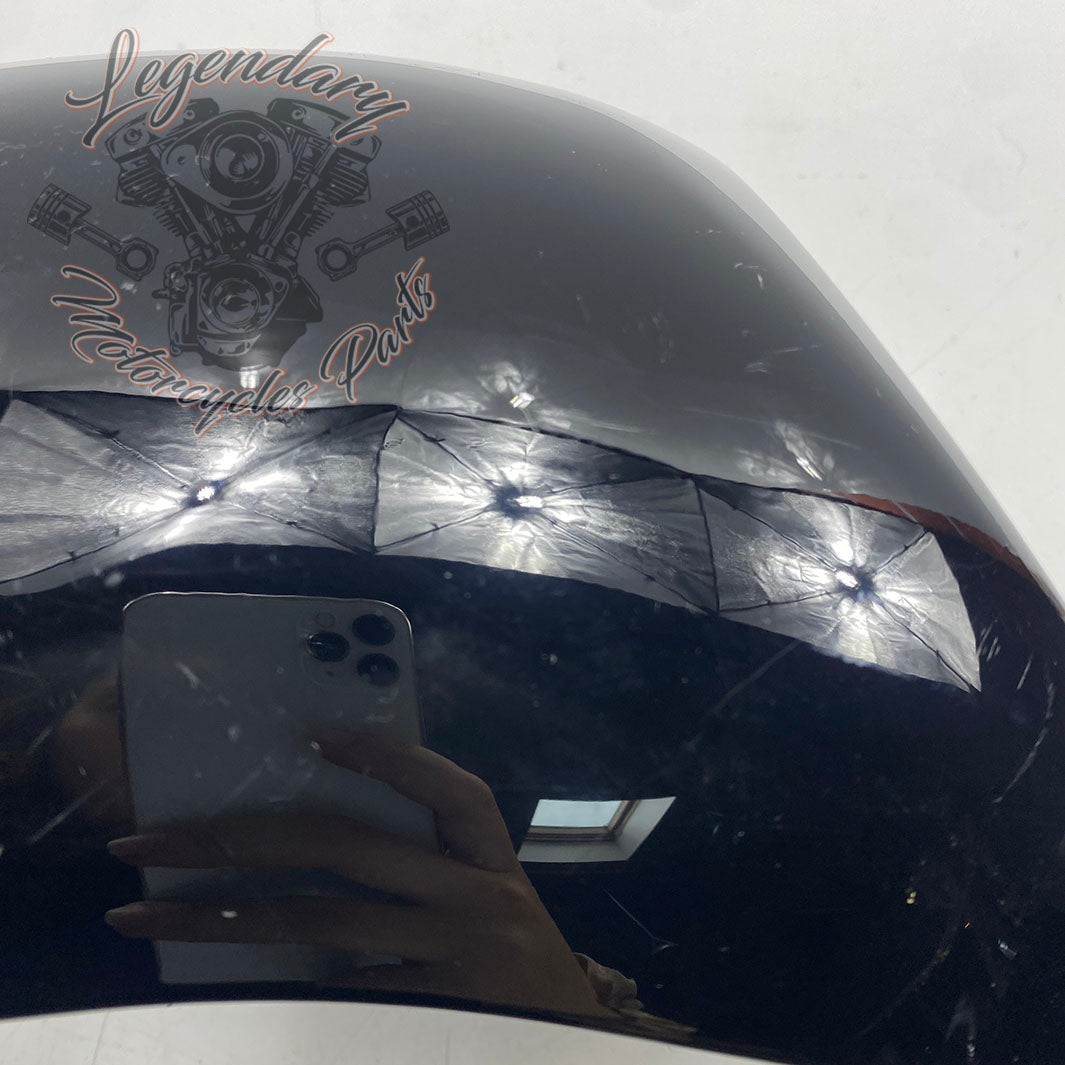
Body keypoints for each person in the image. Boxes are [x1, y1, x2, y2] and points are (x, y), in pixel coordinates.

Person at [40, 670, 694, 1036]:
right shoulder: (24, 924)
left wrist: (564, 1026)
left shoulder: (506, 939)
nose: (202, 739)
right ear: (41, 733)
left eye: (261, 719)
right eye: (134, 702)